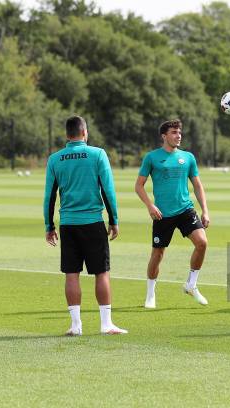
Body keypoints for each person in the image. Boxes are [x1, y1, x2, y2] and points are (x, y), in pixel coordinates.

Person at [43, 115, 126, 336]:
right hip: (92, 222)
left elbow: (49, 197)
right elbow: (108, 191)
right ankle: (106, 324)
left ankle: (76, 325)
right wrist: (114, 220)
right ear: (85, 132)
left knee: (71, 274)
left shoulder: (55, 159)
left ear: (67, 134)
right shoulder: (98, 154)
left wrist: (49, 225)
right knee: (101, 273)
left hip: (68, 224)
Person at [135, 119, 210, 309]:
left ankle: (191, 284)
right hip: (163, 214)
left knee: (202, 243)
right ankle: (150, 295)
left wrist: (205, 210)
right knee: (158, 254)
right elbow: (139, 186)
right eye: (174, 133)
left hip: (185, 209)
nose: (178, 136)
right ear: (164, 136)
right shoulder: (152, 157)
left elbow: (197, 185)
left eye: (180, 133)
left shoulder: (188, 157)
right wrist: (150, 206)